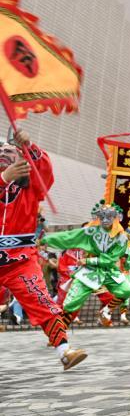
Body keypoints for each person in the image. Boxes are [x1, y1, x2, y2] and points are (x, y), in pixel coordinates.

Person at [0, 131, 87, 369]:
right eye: (0, 152)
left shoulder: (31, 188)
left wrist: (28, 144)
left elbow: (45, 172)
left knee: (42, 301)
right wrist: (3, 178)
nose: (3, 153)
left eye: (9, 151)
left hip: (21, 260)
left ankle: (64, 351)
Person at [42, 201, 130, 328]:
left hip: (108, 271)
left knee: (126, 290)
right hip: (89, 272)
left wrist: (88, 260)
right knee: (70, 304)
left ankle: (106, 312)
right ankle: (58, 332)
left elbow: (110, 259)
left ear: (115, 218)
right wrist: (46, 240)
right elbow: (69, 236)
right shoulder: (90, 232)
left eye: (109, 216)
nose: (105, 220)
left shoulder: (121, 238)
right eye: (102, 217)